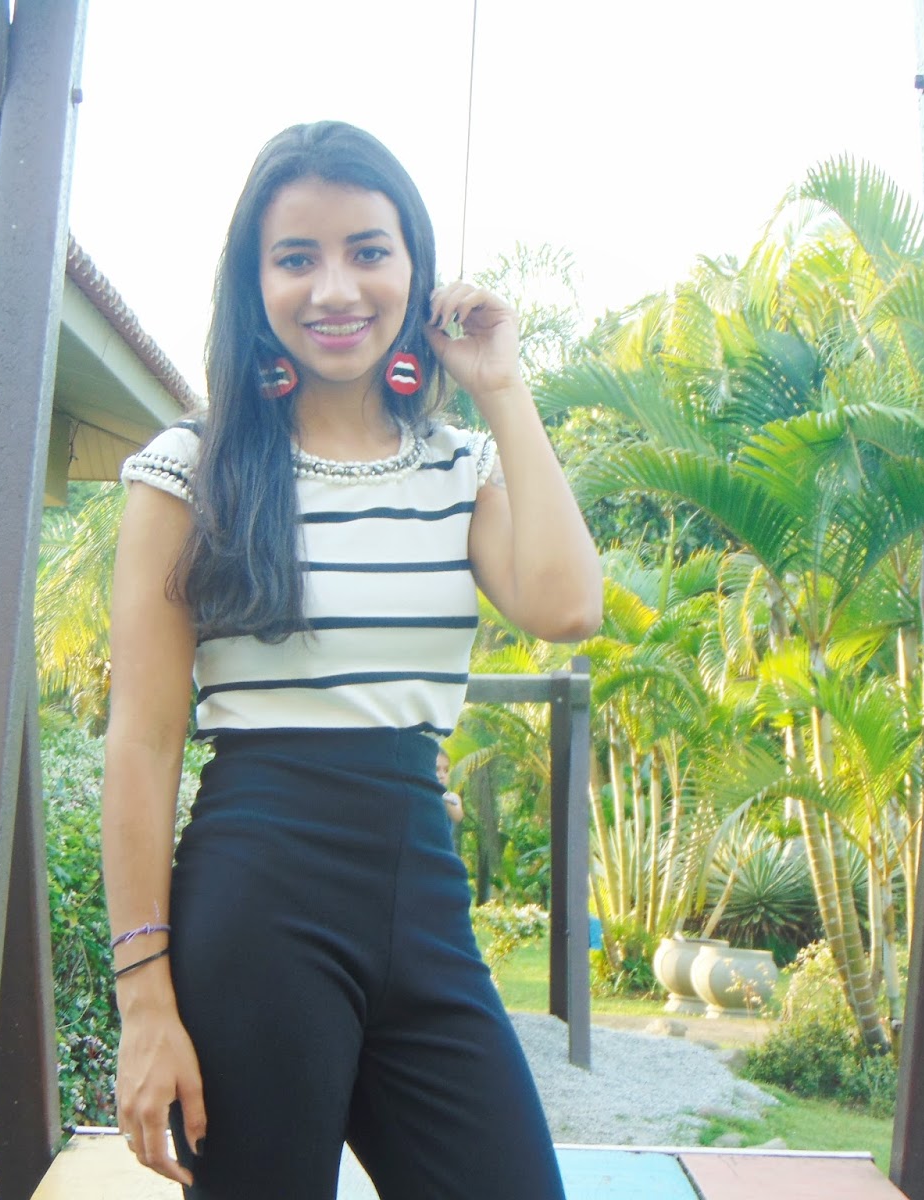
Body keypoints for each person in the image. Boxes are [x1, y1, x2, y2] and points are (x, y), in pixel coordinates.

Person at [102, 120, 601, 1200]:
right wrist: (144, 1001)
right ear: (256, 283)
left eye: (368, 251)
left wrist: (502, 386)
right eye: (297, 258)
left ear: (415, 268)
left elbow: (568, 606)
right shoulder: (191, 469)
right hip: (257, 898)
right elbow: (141, 741)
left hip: (421, 887)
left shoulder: (459, 467)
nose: (335, 288)